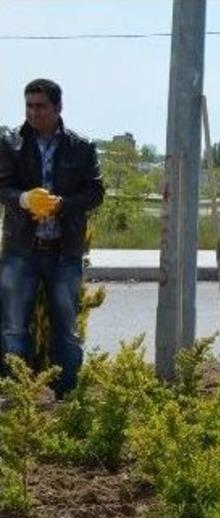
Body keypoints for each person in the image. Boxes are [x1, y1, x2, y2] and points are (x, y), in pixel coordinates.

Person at [0, 78, 104, 397]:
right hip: (21, 251)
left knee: (67, 332)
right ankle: (18, 399)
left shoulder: (81, 147)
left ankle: (66, 398)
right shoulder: (10, 143)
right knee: (13, 328)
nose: (34, 112)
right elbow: (2, 187)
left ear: (58, 107)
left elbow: (96, 193)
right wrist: (24, 200)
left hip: (64, 254)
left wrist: (62, 205)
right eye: (29, 106)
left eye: (40, 106)